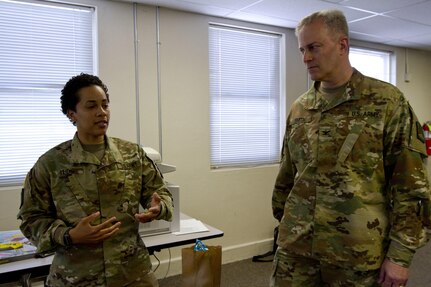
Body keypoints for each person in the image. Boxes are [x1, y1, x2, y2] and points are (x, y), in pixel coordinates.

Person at [270, 9, 431, 287]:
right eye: (301, 49)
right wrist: (285, 221)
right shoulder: (301, 107)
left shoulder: (386, 103)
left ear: (342, 45)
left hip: (356, 256)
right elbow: (288, 175)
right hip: (296, 251)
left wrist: (400, 256)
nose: (306, 57)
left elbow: (411, 188)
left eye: (313, 47)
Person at [17, 73, 173, 287]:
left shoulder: (132, 154)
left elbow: (159, 191)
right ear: (72, 113)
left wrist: (159, 206)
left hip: (132, 273)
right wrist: (69, 235)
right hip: (76, 277)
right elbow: (31, 218)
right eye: (91, 106)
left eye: (105, 105)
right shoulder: (51, 164)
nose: (102, 113)